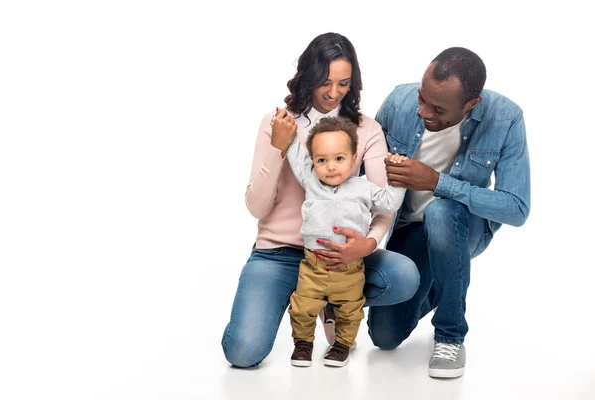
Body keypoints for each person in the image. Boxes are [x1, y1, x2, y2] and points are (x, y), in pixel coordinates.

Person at [221, 32, 419, 368]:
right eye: (325, 82)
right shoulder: (280, 124)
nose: (333, 92)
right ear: (307, 77)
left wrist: (368, 244)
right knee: (243, 352)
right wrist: (278, 147)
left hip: (340, 255)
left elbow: (383, 202)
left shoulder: (366, 130)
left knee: (403, 275)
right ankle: (300, 298)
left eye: (344, 83)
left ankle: (331, 303)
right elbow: (256, 207)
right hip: (279, 252)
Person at [367, 47, 531, 378]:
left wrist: (437, 182)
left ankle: (450, 335)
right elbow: (360, 171)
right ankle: (445, 284)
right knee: (384, 338)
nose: (424, 111)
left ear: (471, 104)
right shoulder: (398, 102)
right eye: (421, 98)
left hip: (464, 226)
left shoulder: (506, 117)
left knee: (441, 211)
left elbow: (516, 208)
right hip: (409, 226)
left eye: (438, 108)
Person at [279, 115, 407, 367]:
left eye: (339, 159)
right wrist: (289, 130)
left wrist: (397, 178)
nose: (330, 167)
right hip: (313, 267)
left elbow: (389, 203)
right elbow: (296, 154)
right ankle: (303, 344)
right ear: (313, 162)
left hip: (349, 269)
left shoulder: (364, 187)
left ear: (352, 160)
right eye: (321, 160)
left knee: (350, 311)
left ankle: (341, 346)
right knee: (302, 307)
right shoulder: (311, 180)